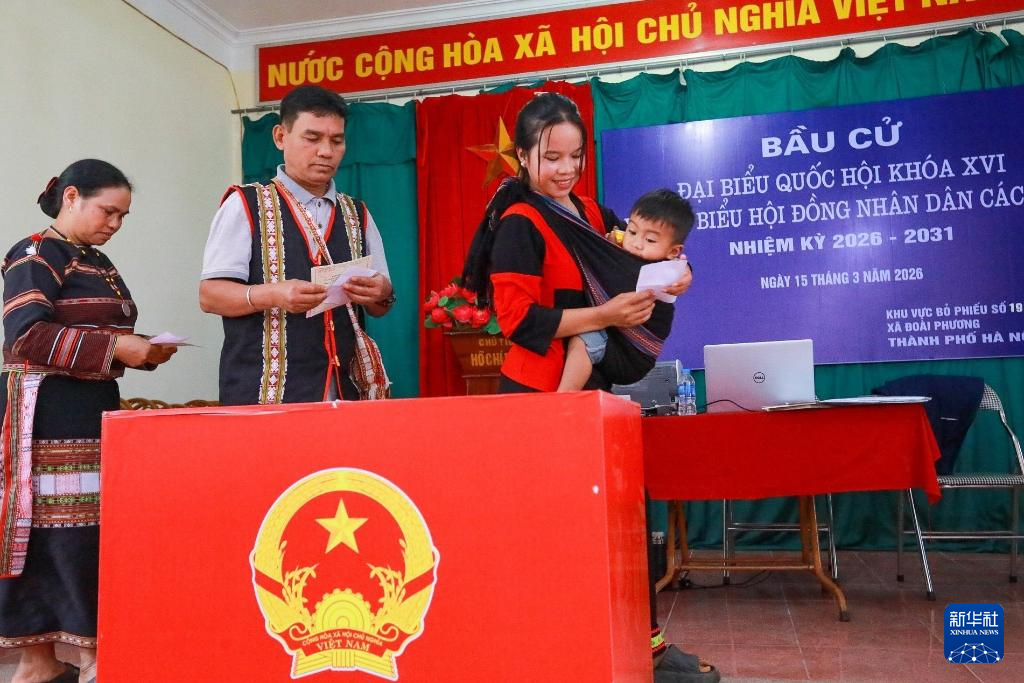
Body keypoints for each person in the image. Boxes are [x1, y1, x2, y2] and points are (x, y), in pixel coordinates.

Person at [462, 93, 719, 682]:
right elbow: (517, 322)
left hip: (591, 395)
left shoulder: (587, 211)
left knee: (622, 522)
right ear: (522, 155)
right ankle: (552, 654)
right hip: (541, 397)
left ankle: (640, 646)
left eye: (575, 156)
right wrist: (605, 317)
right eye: (551, 157)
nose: (566, 169)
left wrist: (680, 273)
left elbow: (643, 253)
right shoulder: (520, 224)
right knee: (549, 533)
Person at [0, 160, 177, 683]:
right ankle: (63, 657)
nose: (115, 224)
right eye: (108, 211)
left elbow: (99, 333)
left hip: (90, 405)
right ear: (71, 196)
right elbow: (25, 334)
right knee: (58, 532)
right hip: (46, 411)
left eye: (123, 216)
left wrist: (141, 351)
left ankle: (49, 662)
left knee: (89, 530)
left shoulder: (95, 260)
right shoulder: (34, 253)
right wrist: (118, 347)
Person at [199, 85, 395, 405]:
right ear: (280, 137)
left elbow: (381, 305)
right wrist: (274, 294)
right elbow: (210, 296)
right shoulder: (245, 204)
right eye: (312, 138)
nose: (326, 151)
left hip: (344, 395)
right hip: (265, 397)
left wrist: (381, 292)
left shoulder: (357, 213)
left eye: (336, 140)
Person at [558, 188, 694, 392]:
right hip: (612, 341)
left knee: (584, 338)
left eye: (650, 240)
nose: (637, 243)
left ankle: (563, 398)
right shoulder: (624, 249)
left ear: (673, 251)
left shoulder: (663, 272)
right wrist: (611, 247)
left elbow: (614, 272)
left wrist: (608, 250)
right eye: (632, 231)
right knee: (584, 337)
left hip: (634, 354)